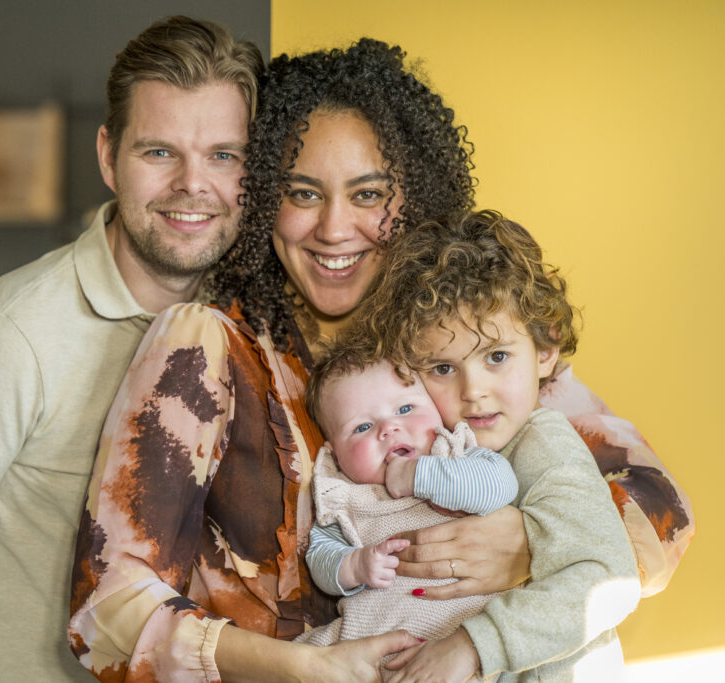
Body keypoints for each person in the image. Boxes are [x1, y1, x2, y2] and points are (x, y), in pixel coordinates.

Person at [69, 39, 693, 682]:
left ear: (415, 197)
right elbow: (106, 610)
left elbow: (659, 508)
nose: (335, 229)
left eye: (369, 195)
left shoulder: (457, 340)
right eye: (303, 193)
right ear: (259, 199)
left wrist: (527, 545)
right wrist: (302, 668)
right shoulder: (208, 349)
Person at [0, 16, 263, 682]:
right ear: (108, 156)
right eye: (159, 152)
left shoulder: (254, 331)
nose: (194, 183)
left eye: (224, 154)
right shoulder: (9, 336)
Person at [304, 210, 643, 680]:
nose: (473, 391)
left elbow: (608, 580)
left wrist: (472, 645)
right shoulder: (427, 446)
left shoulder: (541, 442)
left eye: (497, 357)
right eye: (442, 368)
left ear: (545, 351)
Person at [299, 354, 518, 650]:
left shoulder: (456, 454)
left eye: (405, 408)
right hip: (377, 639)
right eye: (362, 427)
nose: (388, 428)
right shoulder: (343, 496)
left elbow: (499, 487)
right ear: (335, 454)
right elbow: (320, 556)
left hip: (477, 633)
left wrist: (416, 475)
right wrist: (354, 565)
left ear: (437, 410)